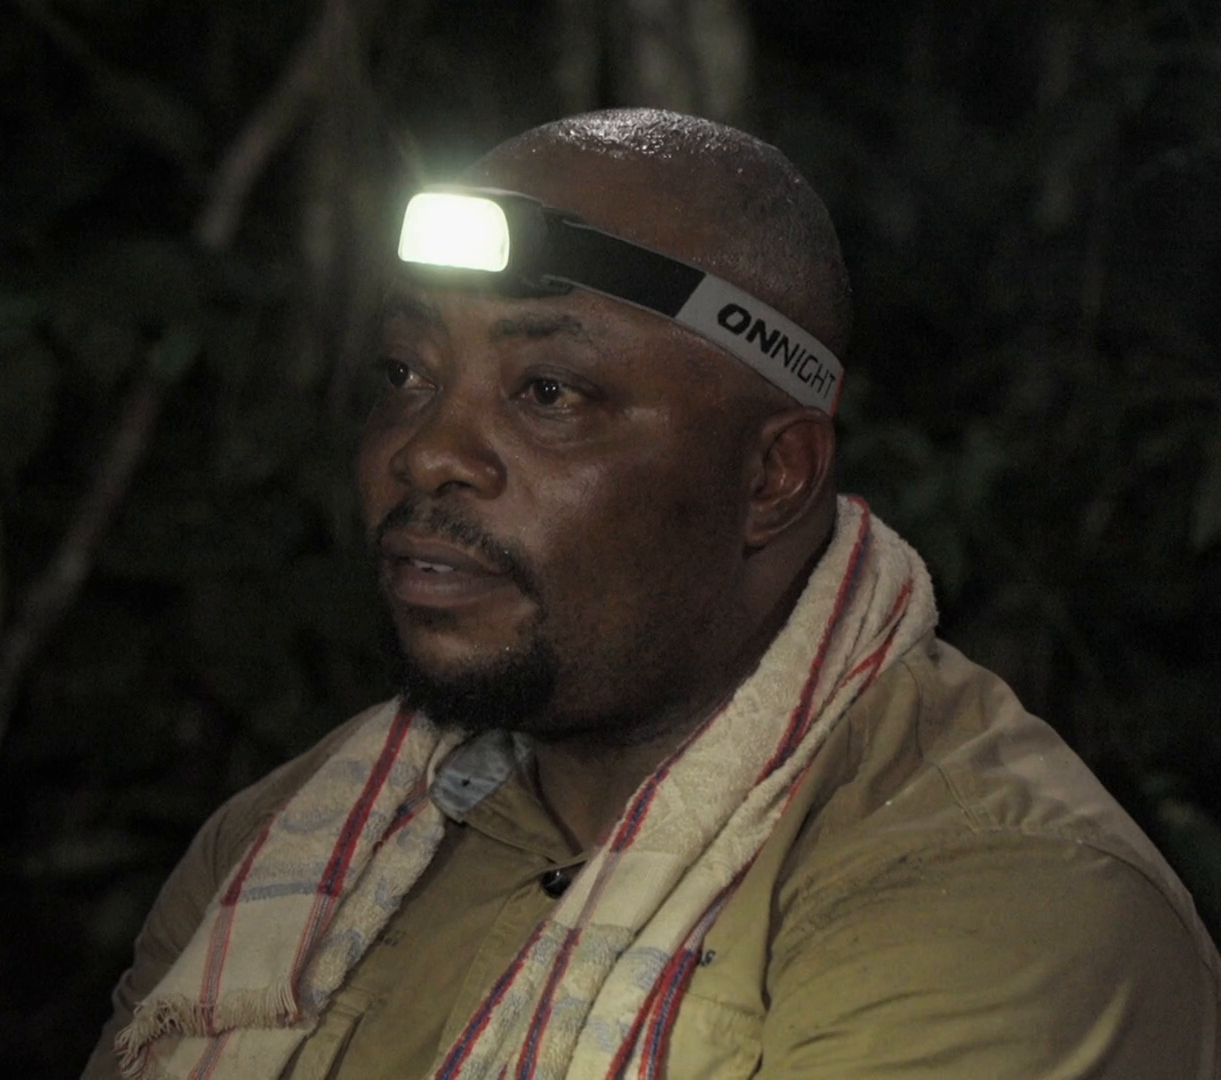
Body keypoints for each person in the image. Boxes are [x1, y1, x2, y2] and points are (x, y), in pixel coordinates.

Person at [81, 108, 1221, 1079]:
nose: (425, 453)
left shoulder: (995, 902)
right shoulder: (288, 847)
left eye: (548, 392)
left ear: (771, 478)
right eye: (404, 374)